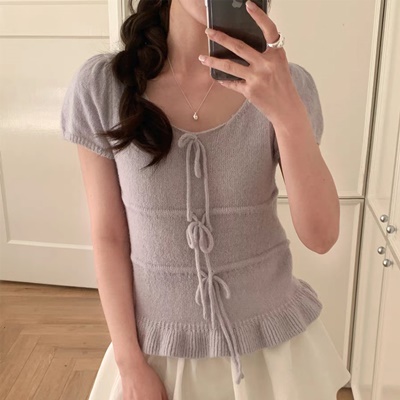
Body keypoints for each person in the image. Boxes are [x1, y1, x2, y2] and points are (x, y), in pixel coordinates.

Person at [60, 0, 351, 399]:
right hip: (156, 355)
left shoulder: (286, 85)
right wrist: (129, 363)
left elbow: (322, 236)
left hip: (275, 357)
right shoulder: (104, 87)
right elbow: (109, 236)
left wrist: (288, 114)